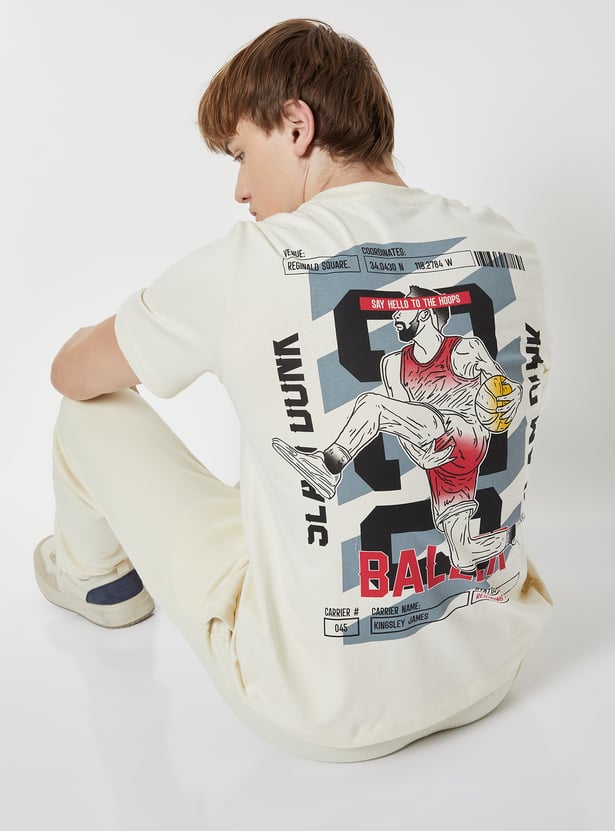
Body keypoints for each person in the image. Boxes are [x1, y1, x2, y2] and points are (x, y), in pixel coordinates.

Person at [36, 18, 552, 762]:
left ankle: (92, 579)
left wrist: (123, 324)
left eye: (242, 154)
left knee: (87, 413)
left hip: (320, 707)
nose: (241, 189)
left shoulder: (251, 259)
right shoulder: (510, 246)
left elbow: (71, 372)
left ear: (296, 126)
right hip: (488, 672)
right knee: (339, 471)